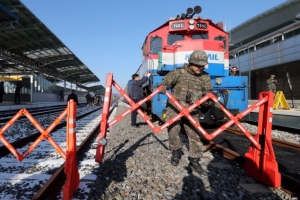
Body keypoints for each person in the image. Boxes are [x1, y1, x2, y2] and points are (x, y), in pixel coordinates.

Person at [159, 50, 224, 176]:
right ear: (190, 63)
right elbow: (164, 83)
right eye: (197, 65)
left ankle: (195, 160)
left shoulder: (204, 77)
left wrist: (210, 101)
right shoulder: (178, 72)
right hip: (175, 107)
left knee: (194, 133)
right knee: (173, 130)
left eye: (202, 65)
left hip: (193, 109)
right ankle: (176, 151)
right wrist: (163, 87)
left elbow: (208, 92)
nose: (200, 68)